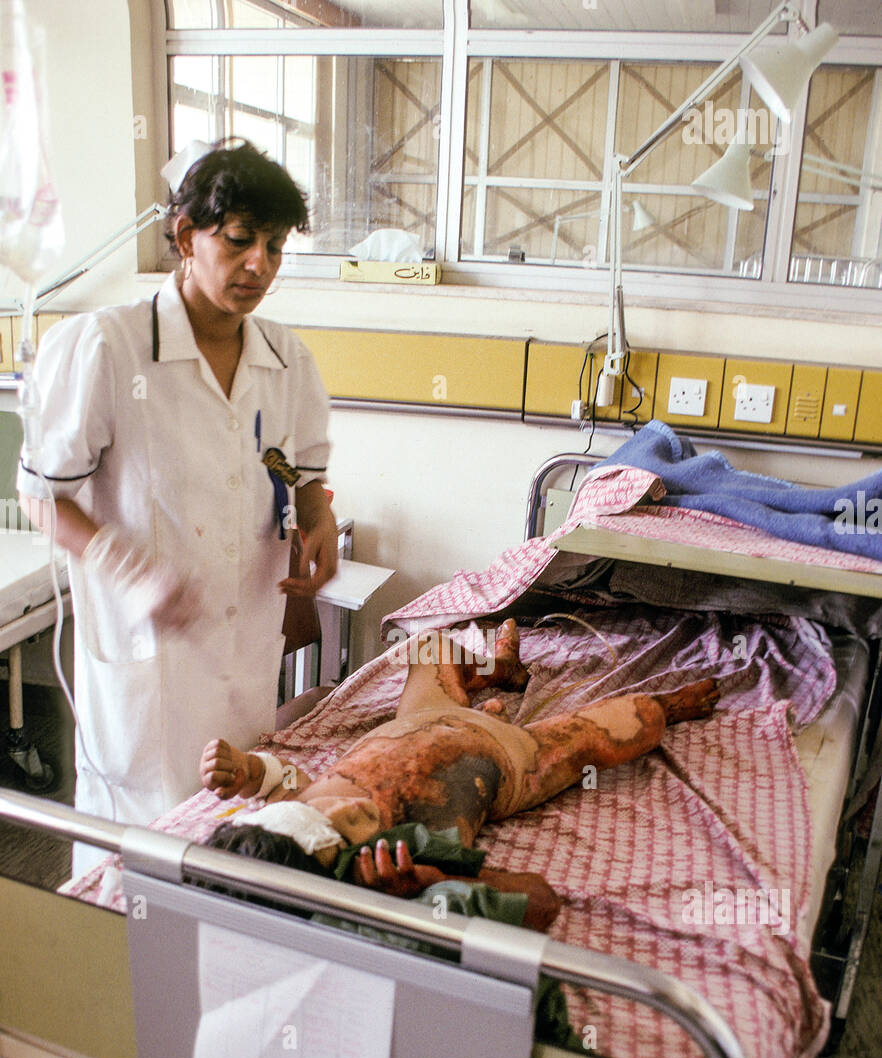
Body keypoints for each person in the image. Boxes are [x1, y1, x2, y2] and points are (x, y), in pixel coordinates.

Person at [17, 139, 338, 874]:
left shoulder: (287, 360)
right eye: (238, 240)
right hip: (148, 658)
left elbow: (295, 465)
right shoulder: (108, 349)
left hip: (243, 647)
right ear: (186, 233)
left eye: (275, 246)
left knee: (238, 839)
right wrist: (130, 572)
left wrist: (317, 519)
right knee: (138, 854)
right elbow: (40, 495)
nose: (259, 263)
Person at [199, 620, 720, 927]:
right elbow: (538, 902)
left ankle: (500, 672)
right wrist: (434, 881)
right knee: (631, 724)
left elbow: (280, 778)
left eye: (320, 809)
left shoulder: (283, 827)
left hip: (420, 717)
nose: (341, 806)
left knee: (433, 645)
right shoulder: (400, 868)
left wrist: (246, 768)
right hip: (508, 756)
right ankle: (669, 708)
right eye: (345, 828)